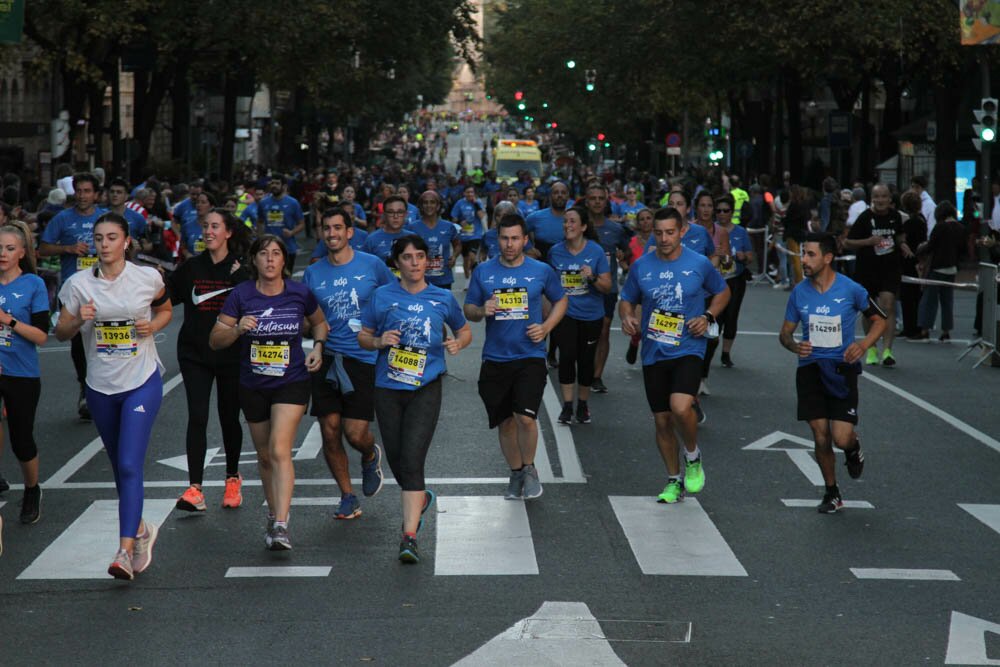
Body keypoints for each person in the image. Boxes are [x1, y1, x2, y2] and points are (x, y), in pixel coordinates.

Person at [54, 212, 172, 579]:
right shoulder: (77, 284)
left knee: (128, 464)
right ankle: (139, 528)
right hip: (100, 386)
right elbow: (60, 332)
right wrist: (78, 320)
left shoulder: (147, 277)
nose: (104, 244)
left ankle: (123, 551)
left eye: (112, 237)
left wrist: (152, 325)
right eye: (100, 238)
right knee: (118, 466)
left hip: (141, 381)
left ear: (126, 242)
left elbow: (166, 308)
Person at [209, 235, 328, 550]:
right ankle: (274, 512)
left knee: (279, 449)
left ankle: (281, 523)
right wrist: (236, 330)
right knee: (264, 456)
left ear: (284, 261)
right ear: (254, 260)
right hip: (253, 385)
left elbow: (320, 324)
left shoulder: (299, 293)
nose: (271, 259)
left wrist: (317, 346)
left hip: (292, 381)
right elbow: (215, 340)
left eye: (277, 254)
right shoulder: (241, 295)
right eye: (264, 254)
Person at [358, 235, 472, 563]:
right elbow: (363, 336)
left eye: (420, 256)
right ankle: (418, 498)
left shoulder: (441, 297)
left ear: (427, 261)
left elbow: (464, 330)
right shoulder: (381, 297)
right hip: (388, 387)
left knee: (412, 459)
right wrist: (379, 341)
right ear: (397, 263)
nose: (415, 262)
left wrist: (458, 345)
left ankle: (408, 537)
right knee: (396, 458)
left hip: (426, 385)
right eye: (407, 257)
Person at [619, 208, 730, 503]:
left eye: (671, 232)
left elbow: (723, 292)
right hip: (654, 351)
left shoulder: (699, 263)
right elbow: (626, 300)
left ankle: (692, 455)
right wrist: (628, 318)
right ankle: (673, 480)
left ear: (682, 232)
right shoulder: (641, 266)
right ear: (652, 233)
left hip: (689, 347)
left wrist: (707, 316)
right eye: (659, 233)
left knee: (680, 407)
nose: (665, 238)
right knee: (662, 421)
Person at [779, 233, 886, 513]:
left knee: (840, 437)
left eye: (810, 254)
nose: (804, 260)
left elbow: (880, 320)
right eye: (803, 253)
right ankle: (832, 492)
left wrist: (863, 345)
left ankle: (852, 448)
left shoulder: (851, 289)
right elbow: (785, 334)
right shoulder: (799, 292)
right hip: (811, 369)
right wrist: (794, 346)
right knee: (820, 435)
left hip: (842, 370)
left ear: (828, 258)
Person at [464, 214, 566, 499]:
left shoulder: (541, 270)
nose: (509, 244)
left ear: (525, 240)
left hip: (530, 356)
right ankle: (516, 472)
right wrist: (482, 310)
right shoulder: (484, 272)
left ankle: (530, 468)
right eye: (505, 238)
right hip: (495, 358)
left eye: (515, 238)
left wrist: (546, 327)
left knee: (524, 417)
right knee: (506, 422)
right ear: (498, 240)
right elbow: (468, 310)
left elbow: (562, 300)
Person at [303, 209, 394, 520]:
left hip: (364, 356)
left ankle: (369, 455)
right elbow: (308, 319)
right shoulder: (313, 273)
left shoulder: (373, 265)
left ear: (350, 232)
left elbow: (394, 296)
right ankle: (347, 495)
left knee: (355, 433)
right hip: (327, 357)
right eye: (326, 228)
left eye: (338, 228)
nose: (332, 234)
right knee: (329, 430)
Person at [167, 208, 251, 512]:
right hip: (195, 354)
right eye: (205, 227)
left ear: (228, 232)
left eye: (215, 227)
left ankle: (232, 478)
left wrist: (241, 275)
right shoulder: (191, 268)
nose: (208, 232)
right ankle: (195, 488)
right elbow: (165, 297)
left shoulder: (240, 268)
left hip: (231, 355)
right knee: (198, 417)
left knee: (229, 417)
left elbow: (256, 300)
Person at [38, 172, 107, 420]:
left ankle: (104, 389)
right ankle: (85, 387)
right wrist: (67, 248)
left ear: (96, 194)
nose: (82, 196)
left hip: (104, 287)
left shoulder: (106, 218)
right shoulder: (62, 218)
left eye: (87, 191)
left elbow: (124, 246)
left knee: (102, 340)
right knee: (77, 339)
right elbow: (42, 249)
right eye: (79, 191)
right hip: (74, 289)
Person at [0, 221, 50, 524]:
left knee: (21, 439)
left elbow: (42, 336)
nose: (2, 254)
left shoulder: (33, 284)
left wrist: (9, 321)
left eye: (8, 248)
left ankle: (32, 489)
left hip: (22, 373)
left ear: (21, 252)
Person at [545, 207, 611, 424]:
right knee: (567, 355)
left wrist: (591, 278)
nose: (567, 226)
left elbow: (607, 287)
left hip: (591, 315)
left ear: (583, 226)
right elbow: (550, 286)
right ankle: (566, 406)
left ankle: (582, 404)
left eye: (572, 222)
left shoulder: (596, 252)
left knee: (585, 360)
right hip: (566, 313)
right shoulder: (555, 252)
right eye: (565, 222)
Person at [843, 184, 909, 366]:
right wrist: (868, 241)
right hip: (867, 269)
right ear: (872, 199)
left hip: (890, 268)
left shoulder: (895, 217)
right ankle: (871, 348)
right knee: (869, 311)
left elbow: (900, 236)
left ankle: (887, 351)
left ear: (890, 199)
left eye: (884, 197)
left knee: (888, 305)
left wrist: (902, 244)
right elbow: (847, 242)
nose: (880, 200)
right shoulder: (865, 218)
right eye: (877, 197)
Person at [582, 183, 632, 394]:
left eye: (600, 198)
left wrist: (623, 256)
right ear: (586, 201)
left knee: (603, 332)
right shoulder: (579, 226)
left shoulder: (616, 229)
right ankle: (582, 369)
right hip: (580, 288)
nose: (596, 202)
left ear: (606, 201)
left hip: (606, 289)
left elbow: (627, 250)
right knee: (582, 334)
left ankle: (596, 376)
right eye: (592, 198)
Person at [704, 195, 753, 369]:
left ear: (732, 212)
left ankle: (726, 353)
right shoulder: (709, 231)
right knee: (714, 315)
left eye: (726, 211)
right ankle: (707, 348)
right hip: (714, 280)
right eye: (718, 211)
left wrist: (742, 256)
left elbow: (750, 256)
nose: (722, 214)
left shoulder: (740, 232)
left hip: (734, 280)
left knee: (731, 315)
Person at [914, 203, 965, 342]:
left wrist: (919, 251)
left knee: (929, 300)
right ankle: (946, 331)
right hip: (952, 268)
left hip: (937, 267)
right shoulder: (961, 228)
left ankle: (925, 330)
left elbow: (931, 246)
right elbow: (963, 250)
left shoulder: (940, 227)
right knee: (947, 300)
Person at [408, 191, 461, 290]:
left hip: (443, 280)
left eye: (432, 202)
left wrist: (454, 256)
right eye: (425, 202)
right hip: (420, 280)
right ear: (421, 206)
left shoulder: (449, 227)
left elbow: (457, 244)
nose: (429, 205)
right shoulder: (412, 228)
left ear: (438, 206)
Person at [257, 175, 305, 269]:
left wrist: (291, 232)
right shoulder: (263, 203)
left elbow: (301, 224)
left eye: (277, 183)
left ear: (284, 186)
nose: (274, 185)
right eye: (272, 183)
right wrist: (261, 238)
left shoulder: (293, 203)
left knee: (286, 277)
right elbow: (260, 222)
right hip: (268, 247)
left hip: (288, 247)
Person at [898, 190, 927, 338]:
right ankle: (913, 326)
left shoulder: (909, 223)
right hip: (918, 260)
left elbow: (904, 241)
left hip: (908, 261)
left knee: (908, 296)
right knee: (915, 296)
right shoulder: (921, 220)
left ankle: (910, 327)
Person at [450, 185, 486, 286]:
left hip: (475, 235)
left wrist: (476, 204)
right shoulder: (459, 203)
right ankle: (467, 280)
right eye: (468, 192)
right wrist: (460, 222)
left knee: (472, 256)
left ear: (474, 194)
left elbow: (482, 216)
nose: (470, 194)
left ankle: (475, 278)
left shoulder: (478, 203)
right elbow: (454, 218)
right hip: (463, 236)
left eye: (472, 192)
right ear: (464, 193)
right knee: (466, 260)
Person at [526, 181, 571, 260]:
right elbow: (519, 232)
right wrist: (528, 247)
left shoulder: (574, 219)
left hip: (566, 264)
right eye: (556, 192)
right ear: (550, 196)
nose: (560, 195)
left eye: (563, 193)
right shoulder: (535, 217)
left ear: (568, 196)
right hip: (541, 263)